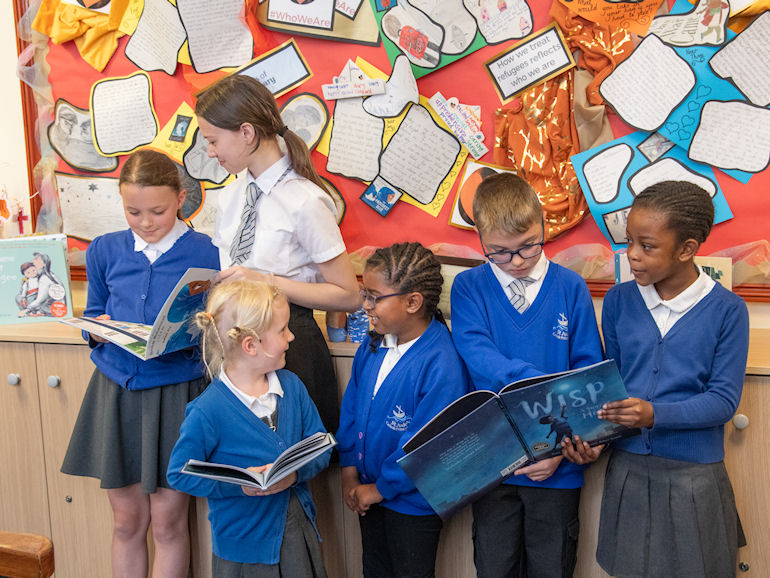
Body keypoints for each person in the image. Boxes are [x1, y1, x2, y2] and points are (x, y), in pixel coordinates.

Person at [562, 181, 749, 578]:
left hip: (694, 476)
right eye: (629, 241)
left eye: (647, 246)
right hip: (629, 470)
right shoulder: (617, 300)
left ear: (686, 249)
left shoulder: (728, 311)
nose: (632, 255)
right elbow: (608, 385)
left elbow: (723, 400)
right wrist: (596, 442)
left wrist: (653, 415)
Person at [61, 149, 220, 578]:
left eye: (158, 211)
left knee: (169, 523)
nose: (146, 222)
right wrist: (98, 328)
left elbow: (215, 327)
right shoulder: (105, 250)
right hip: (116, 391)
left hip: (176, 392)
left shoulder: (206, 251)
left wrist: (199, 330)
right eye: (134, 211)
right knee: (127, 521)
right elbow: (94, 314)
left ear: (181, 199)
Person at [450, 172, 604, 577]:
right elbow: (477, 353)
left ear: (543, 228)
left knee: (552, 566)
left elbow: (588, 374)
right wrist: (538, 381)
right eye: (499, 252)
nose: (516, 262)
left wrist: (557, 450)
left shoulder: (571, 287)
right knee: (495, 565)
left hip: (558, 466)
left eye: (528, 247)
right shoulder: (469, 287)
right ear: (480, 240)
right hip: (493, 464)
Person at [195, 74, 360, 432]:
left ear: (246, 133)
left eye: (212, 140)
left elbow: (348, 295)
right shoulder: (232, 196)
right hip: (236, 349)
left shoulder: (305, 200)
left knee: (294, 466)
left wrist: (263, 280)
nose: (210, 152)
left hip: (290, 346)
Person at [167, 279, 331, 577]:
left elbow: (321, 449)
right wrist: (240, 486)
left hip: (297, 536)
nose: (291, 336)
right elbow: (178, 473)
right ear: (251, 345)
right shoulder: (209, 409)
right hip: (242, 551)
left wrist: (294, 474)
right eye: (283, 330)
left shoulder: (293, 388)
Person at [336, 242, 471, 578]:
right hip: (368, 495)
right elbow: (351, 411)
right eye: (364, 294)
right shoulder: (374, 344)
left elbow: (428, 446)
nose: (365, 305)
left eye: (374, 297)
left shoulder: (442, 362)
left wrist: (380, 489)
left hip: (411, 505)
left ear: (413, 302)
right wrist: (349, 469)